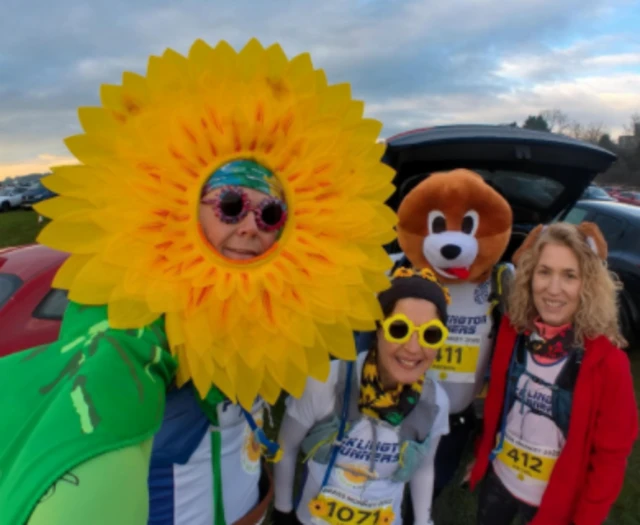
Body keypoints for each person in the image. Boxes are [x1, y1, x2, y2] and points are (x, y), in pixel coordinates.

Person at [0, 38, 397, 525]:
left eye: (270, 214)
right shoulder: (140, 324)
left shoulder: (283, 320)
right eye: (230, 205)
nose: (249, 226)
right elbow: (100, 391)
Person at [469, 222, 639, 525]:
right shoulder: (514, 333)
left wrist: (587, 519)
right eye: (544, 271)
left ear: (587, 284)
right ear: (530, 276)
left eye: (569, 275)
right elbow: (498, 401)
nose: (553, 288)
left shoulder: (609, 365)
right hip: (499, 482)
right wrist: (484, 456)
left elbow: (610, 458)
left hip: (553, 504)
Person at [272, 267, 452, 525]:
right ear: (377, 329)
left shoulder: (434, 403)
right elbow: (285, 447)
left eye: (430, 334)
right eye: (399, 329)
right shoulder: (326, 382)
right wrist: (283, 511)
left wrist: (423, 522)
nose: (413, 348)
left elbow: (423, 468)